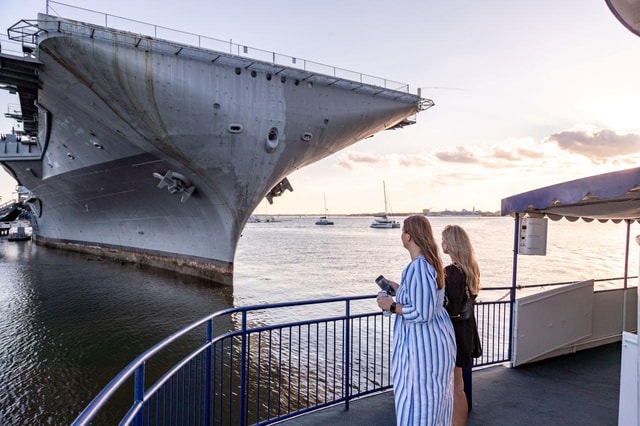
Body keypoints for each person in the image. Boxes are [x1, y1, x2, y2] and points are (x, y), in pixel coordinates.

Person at [377, 215, 456, 425]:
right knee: (435, 403)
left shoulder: (418, 267)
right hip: (437, 341)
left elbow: (422, 313)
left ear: (409, 237)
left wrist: (391, 306)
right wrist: (398, 289)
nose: (401, 235)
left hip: (422, 349)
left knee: (419, 404)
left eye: (403, 231)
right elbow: (423, 298)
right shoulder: (430, 264)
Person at [441, 224, 481, 426]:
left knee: (455, 388)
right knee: (458, 386)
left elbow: (450, 306)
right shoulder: (470, 269)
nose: (441, 243)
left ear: (451, 244)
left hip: (454, 334)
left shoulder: (452, 272)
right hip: (465, 331)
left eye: (444, 239)